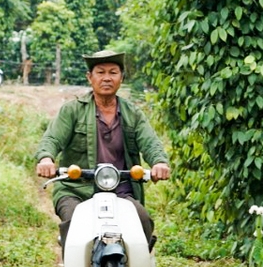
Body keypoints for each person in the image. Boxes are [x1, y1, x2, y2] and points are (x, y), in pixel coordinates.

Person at [35, 50, 170, 255]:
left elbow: (150, 142)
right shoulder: (72, 110)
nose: (107, 77)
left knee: (142, 221)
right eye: (100, 72)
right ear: (90, 77)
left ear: (121, 78)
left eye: (113, 72)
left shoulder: (132, 113)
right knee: (73, 225)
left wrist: (160, 162)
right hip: (77, 189)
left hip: (121, 190)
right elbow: (53, 138)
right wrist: (46, 158)